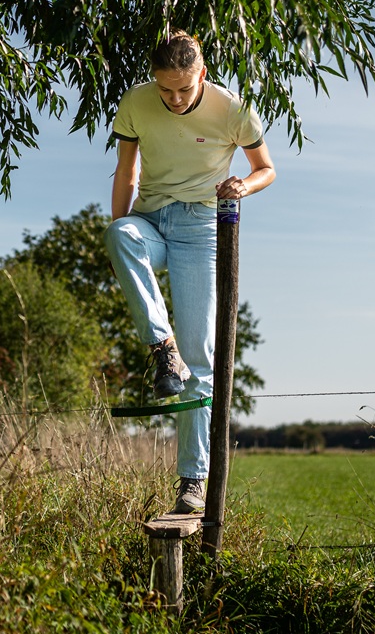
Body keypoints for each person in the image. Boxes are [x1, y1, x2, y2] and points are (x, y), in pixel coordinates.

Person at [103, 30, 275, 514]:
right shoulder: (136, 102)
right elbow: (126, 171)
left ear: (202, 73)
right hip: (153, 217)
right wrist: (121, 232)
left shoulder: (231, 109)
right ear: (153, 81)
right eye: (165, 90)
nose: (175, 99)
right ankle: (163, 349)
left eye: (184, 88)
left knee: (202, 358)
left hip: (201, 228)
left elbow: (267, 168)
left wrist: (244, 185)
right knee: (118, 236)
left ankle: (191, 483)